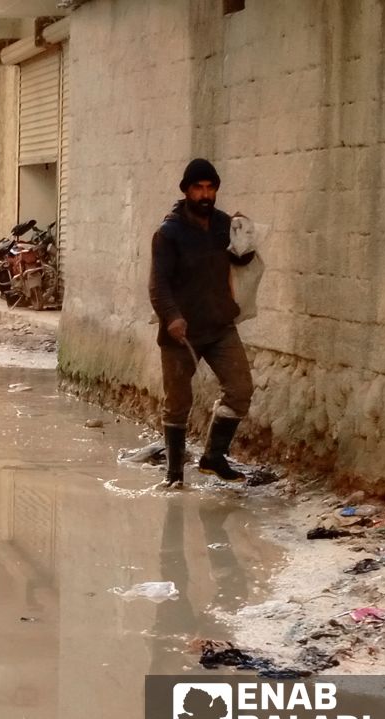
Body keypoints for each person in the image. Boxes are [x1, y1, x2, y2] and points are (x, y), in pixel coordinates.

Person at [148, 158, 257, 488]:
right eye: (198, 188)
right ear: (186, 191)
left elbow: (242, 259)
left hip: (221, 325)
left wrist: (244, 234)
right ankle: (174, 475)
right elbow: (158, 285)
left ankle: (213, 457)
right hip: (182, 334)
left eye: (210, 188)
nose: (205, 194)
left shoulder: (224, 224)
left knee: (240, 390)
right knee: (178, 404)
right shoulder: (168, 234)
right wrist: (173, 317)